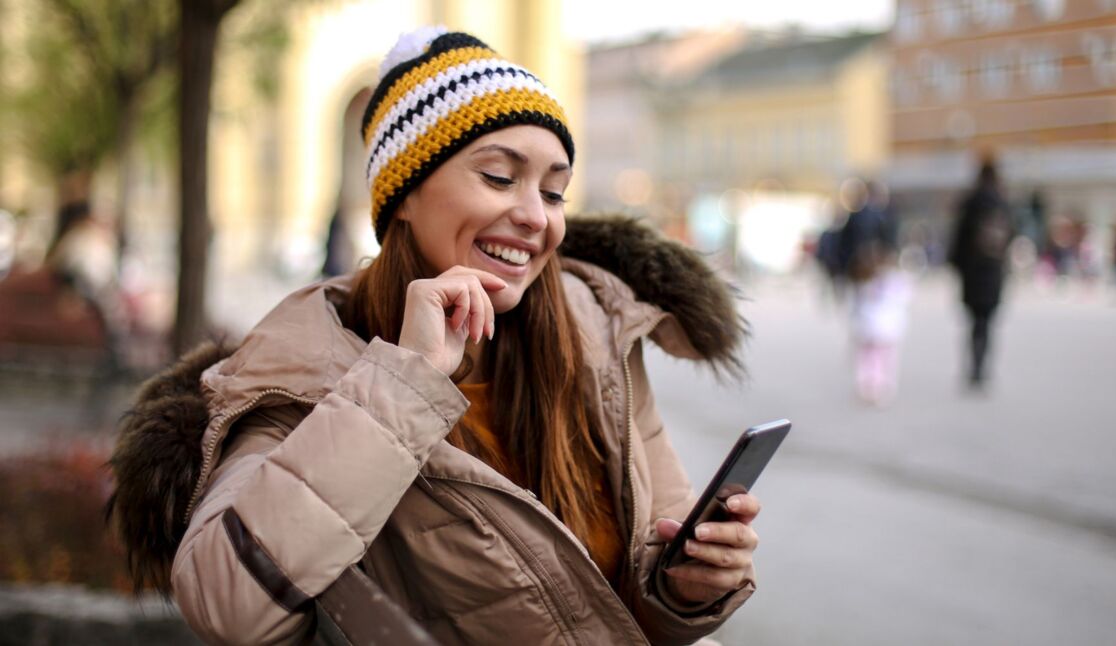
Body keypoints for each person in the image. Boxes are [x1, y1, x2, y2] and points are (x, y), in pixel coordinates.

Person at [109, 27, 758, 645]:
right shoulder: (297, 370)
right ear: (405, 196)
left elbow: (639, 602)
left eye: (555, 191)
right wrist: (405, 381)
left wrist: (686, 586)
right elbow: (227, 609)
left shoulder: (597, 333)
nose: (535, 216)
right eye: (500, 177)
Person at [949, 157, 1014, 389]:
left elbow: (958, 239)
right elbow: (1011, 237)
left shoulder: (971, 201)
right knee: (987, 321)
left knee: (973, 321)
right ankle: (983, 366)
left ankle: (974, 366)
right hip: (993, 271)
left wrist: (956, 264)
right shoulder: (1003, 202)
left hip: (972, 271)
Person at [850, 247, 912, 406]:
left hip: (869, 330)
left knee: (868, 358)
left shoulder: (864, 282)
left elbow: (856, 309)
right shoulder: (897, 281)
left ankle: (867, 386)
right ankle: (880, 387)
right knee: (885, 359)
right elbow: (905, 300)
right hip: (887, 331)